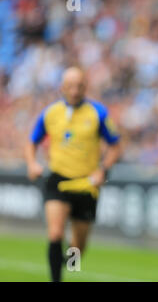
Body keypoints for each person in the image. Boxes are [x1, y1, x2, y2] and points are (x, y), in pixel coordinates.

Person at [24, 66, 121, 282]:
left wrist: (103, 170)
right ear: (62, 87)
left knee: (77, 249)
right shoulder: (50, 113)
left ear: (85, 86)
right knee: (56, 233)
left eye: (79, 86)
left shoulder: (98, 113)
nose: (75, 91)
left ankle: (65, 263)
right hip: (57, 180)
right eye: (70, 86)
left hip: (86, 184)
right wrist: (32, 164)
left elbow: (115, 145)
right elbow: (32, 142)